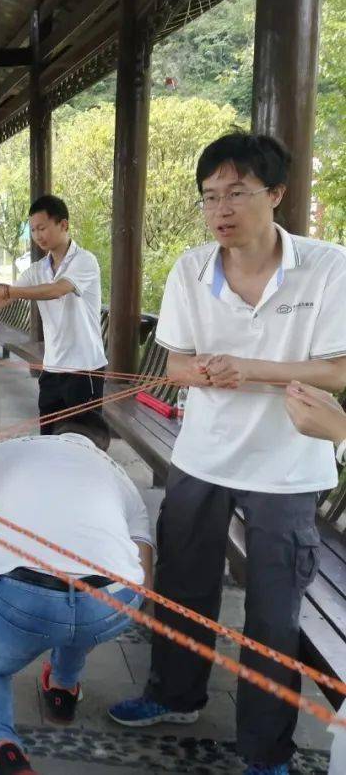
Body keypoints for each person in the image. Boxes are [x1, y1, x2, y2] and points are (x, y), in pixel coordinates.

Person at [106, 133, 346, 775]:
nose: (222, 209)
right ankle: (174, 694)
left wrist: (249, 369)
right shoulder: (191, 268)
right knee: (183, 588)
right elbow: (176, 362)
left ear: (277, 194)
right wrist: (201, 372)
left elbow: (338, 371)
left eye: (237, 193)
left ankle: (266, 749)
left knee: (274, 615)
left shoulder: (328, 267)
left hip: (288, 470)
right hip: (202, 457)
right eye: (210, 197)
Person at [0, 414, 153, 775]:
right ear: (101, 448)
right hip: (111, 600)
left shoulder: (3, 452)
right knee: (78, 618)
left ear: (52, 434)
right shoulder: (118, 475)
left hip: (20, 598)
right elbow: (145, 576)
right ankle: (62, 688)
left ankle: (3, 748)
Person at [0, 195, 107, 434]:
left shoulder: (85, 261)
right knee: (48, 440)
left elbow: (57, 290)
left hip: (84, 369)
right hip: (52, 368)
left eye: (42, 228)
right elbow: (8, 298)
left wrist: (7, 290)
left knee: (84, 445)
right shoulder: (38, 269)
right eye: (33, 230)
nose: (38, 235)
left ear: (64, 225)